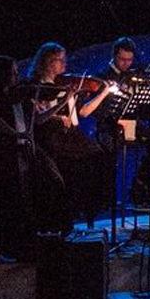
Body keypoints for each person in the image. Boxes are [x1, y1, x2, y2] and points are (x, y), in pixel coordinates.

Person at [0, 55, 57, 262]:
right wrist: (16, 134)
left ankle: (18, 246)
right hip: (1, 155)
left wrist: (64, 100)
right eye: (13, 72)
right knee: (1, 203)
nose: (17, 76)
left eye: (17, 72)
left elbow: (38, 119)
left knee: (20, 201)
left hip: (19, 151)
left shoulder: (18, 96)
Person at [29, 43, 117, 226]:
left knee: (101, 156)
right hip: (55, 136)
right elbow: (40, 117)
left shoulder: (64, 85)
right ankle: (78, 209)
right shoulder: (40, 87)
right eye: (59, 60)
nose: (64, 63)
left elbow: (83, 113)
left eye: (64, 59)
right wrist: (63, 109)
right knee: (88, 160)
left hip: (72, 134)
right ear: (48, 62)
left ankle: (91, 207)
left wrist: (104, 93)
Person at [95, 37, 150, 208]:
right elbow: (98, 111)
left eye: (129, 60)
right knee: (108, 151)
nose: (126, 63)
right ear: (114, 56)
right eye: (122, 59)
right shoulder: (102, 75)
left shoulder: (134, 74)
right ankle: (106, 200)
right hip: (110, 126)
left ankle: (141, 190)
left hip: (132, 123)